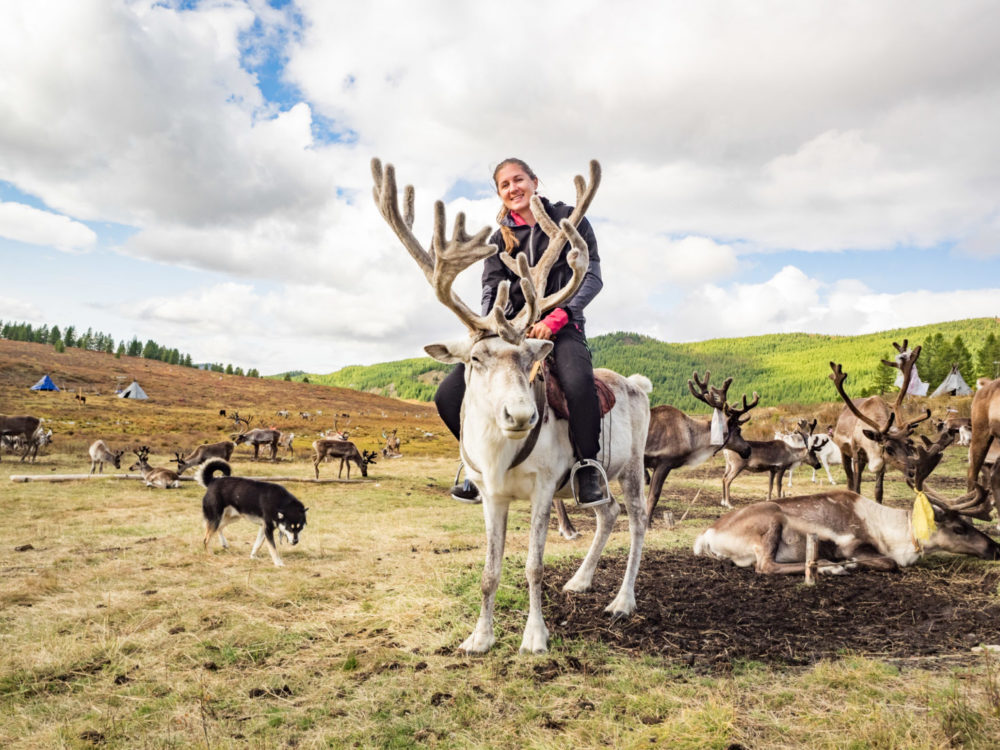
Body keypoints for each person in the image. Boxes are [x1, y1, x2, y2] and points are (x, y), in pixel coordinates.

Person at [434, 157, 608, 506]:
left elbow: (591, 277)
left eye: (519, 180)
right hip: (508, 334)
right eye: (505, 184)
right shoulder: (500, 240)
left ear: (534, 181)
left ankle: (587, 465)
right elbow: (490, 287)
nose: (513, 188)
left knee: (578, 384)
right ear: (500, 193)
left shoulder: (569, 220)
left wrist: (559, 316)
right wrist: (484, 327)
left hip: (561, 328)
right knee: (448, 395)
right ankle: (476, 467)